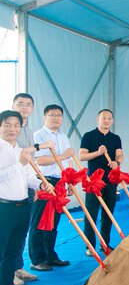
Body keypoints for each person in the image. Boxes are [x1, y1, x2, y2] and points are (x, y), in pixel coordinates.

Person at [0, 110, 53, 285]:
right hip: (3, 207)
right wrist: (19, 163)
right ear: (0, 126)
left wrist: (41, 185)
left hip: (23, 206)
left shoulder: (21, 150)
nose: (12, 129)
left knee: (13, 252)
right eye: (7, 124)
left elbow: (28, 176)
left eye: (16, 125)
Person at [11, 94, 54, 285]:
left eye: (28, 104)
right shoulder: (9, 130)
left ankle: (18, 268)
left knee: (21, 229)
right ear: (13, 106)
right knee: (8, 231)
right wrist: (40, 146)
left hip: (25, 183)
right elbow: (21, 154)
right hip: (9, 186)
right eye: (20, 104)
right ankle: (8, 272)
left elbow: (30, 162)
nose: (24, 107)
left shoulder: (27, 130)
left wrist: (35, 184)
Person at [28, 105, 73, 272]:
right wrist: (63, 156)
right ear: (45, 117)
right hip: (44, 182)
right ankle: (37, 259)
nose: (56, 118)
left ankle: (50, 255)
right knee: (39, 221)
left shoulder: (64, 137)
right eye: (52, 115)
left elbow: (67, 162)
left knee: (54, 222)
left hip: (60, 182)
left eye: (59, 115)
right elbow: (39, 160)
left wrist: (68, 181)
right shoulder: (38, 136)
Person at [79, 109, 123, 256]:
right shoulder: (89, 136)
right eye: (104, 118)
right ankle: (89, 246)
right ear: (97, 119)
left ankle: (105, 243)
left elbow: (120, 155)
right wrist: (98, 152)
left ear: (113, 121)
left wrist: (117, 163)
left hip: (111, 181)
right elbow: (82, 156)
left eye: (109, 118)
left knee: (108, 213)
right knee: (90, 214)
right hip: (93, 181)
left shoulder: (115, 138)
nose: (107, 120)